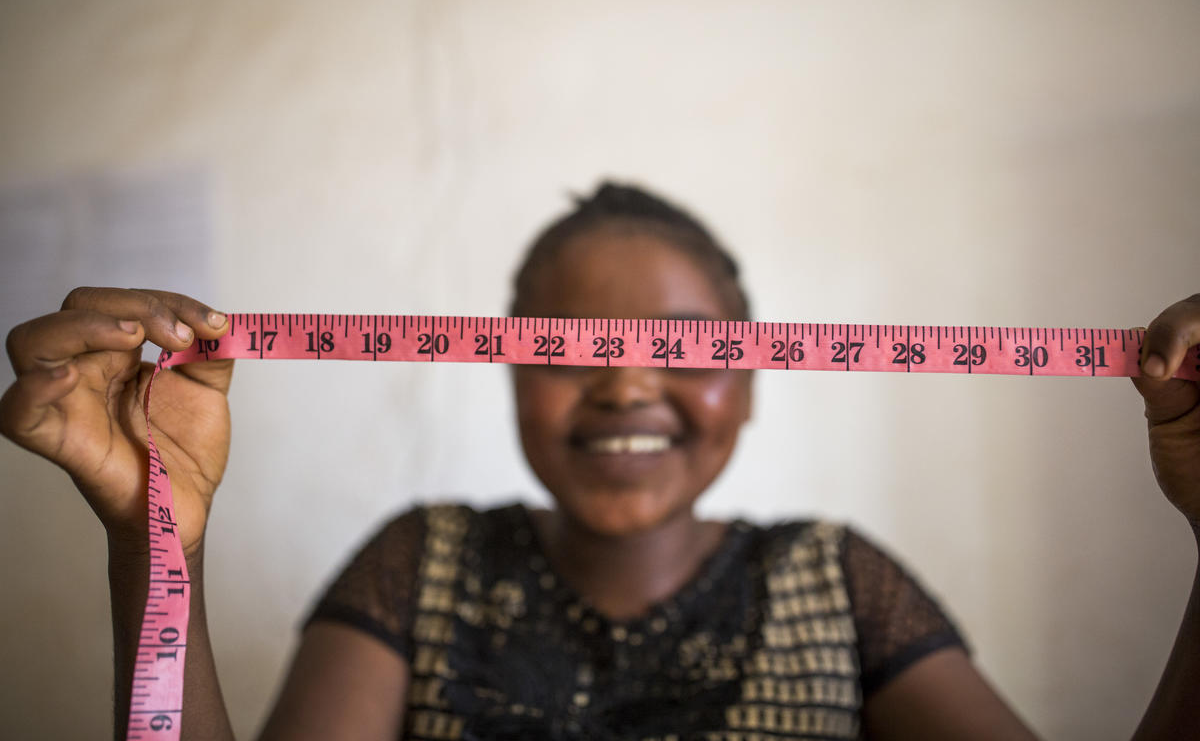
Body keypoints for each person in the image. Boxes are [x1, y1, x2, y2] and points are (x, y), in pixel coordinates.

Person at [2, 182, 1198, 740]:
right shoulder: (418, 565)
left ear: (760, 374)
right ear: (508, 369)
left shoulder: (844, 584)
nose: (627, 380)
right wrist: (153, 534)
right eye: (575, 349)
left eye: (684, 347)